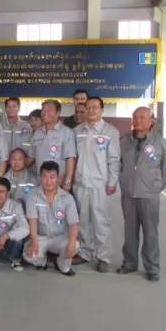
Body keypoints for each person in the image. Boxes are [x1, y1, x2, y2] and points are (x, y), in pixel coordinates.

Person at [118, 107, 166, 282]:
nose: (138, 120)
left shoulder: (161, 143)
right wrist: (123, 182)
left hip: (149, 196)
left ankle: (152, 268)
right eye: (135, 117)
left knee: (150, 233)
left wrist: (156, 187)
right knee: (129, 231)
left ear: (151, 121)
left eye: (142, 117)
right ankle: (129, 263)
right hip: (129, 194)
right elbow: (118, 164)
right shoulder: (124, 141)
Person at [73, 96, 121, 273]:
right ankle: (85, 252)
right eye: (88, 107)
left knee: (101, 222)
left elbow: (114, 159)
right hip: (80, 184)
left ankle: (103, 257)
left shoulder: (110, 131)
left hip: (100, 184)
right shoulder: (77, 131)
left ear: (102, 110)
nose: (91, 110)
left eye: (95, 107)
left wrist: (112, 181)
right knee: (83, 221)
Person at [23, 161, 79, 276]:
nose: (48, 181)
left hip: (60, 237)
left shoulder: (67, 198)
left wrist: (71, 243)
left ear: (58, 178)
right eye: (45, 176)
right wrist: (34, 242)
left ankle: (62, 265)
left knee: (75, 245)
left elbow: (73, 224)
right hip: (41, 237)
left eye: (52, 177)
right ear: (40, 178)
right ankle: (42, 261)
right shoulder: (32, 195)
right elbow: (32, 221)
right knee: (29, 255)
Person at [27, 100, 76, 190]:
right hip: (40, 182)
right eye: (43, 110)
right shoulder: (37, 132)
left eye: (49, 110)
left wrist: (67, 181)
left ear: (58, 113)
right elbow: (31, 157)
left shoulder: (66, 132)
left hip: (58, 183)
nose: (45, 112)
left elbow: (70, 158)